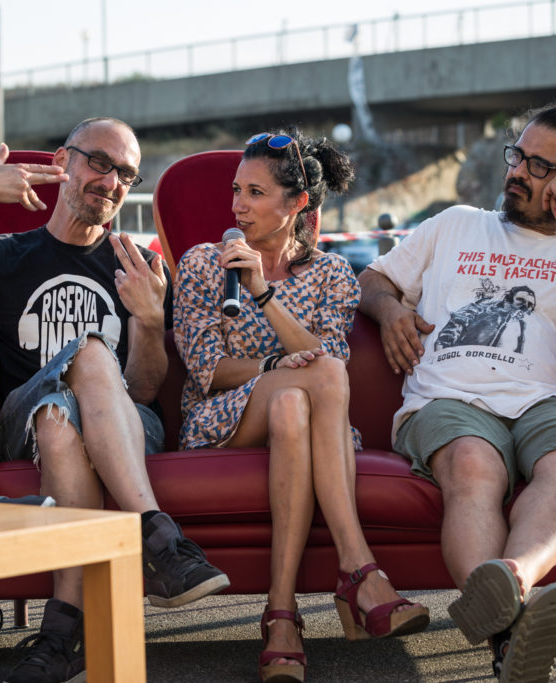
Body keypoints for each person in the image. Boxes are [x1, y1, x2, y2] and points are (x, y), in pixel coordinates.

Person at [0, 116, 229, 683]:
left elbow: (144, 390)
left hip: (125, 425)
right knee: (75, 373)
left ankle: (61, 637)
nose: (111, 182)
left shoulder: (138, 267)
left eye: (125, 174)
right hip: (20, 423)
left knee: (64, 412)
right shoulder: (5, 254)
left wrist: (151, 322)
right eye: (99, 162)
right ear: (62, 162)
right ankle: (160, 539)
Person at [358, 102, 556, 682]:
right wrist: (390, 309)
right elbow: (374, 278)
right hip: (452, 398)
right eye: (517, 155)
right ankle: (514, 626)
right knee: (472, 465)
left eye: (539, 165)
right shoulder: (455, 224)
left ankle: (512, 583)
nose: (516, 171)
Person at [175, 130, 430, 683]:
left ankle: (282, 614)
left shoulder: (333, 274)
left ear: (297, 204)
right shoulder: (203, 263)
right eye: (237, 190)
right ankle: (359, 571)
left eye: (255, 193)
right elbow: (208, 370)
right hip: (223, 417)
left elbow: (327, 368)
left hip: (307, 416)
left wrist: (262, 294)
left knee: (294, 402)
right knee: (307, 381)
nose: (238, 206)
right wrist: (274, 364)